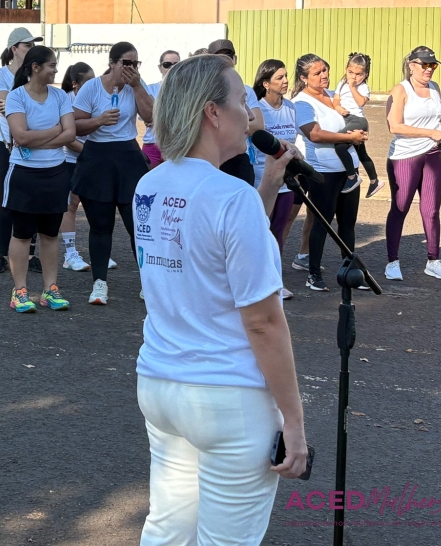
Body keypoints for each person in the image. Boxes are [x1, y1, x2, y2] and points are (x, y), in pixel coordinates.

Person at [135, 54, 307, 545]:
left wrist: (267, 187)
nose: (249, 113)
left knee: (168, 526)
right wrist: (293, 421)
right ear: (212, 112)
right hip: (228, 397)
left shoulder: (150, 185)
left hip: (162, 383)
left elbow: (207, 250)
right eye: (240, 101)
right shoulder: (231, 197)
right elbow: (263, 322)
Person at [72, 42, 154, 305]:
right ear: (112, 63)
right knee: (100, 226)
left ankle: (148, 283)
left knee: (137, 226)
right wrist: (98, 121)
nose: (132, 68)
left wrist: (137, 86)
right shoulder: (92, 87)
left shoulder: (136, 85)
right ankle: (99, 284)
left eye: (136, 63)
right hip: (97, 158)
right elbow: (74, 125)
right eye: (127, 63)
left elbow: (151, 116)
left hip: (128, 156)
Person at [385, 46, 441, 281]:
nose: (429, 69)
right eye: (424, 65)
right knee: (400, 208)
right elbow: (394, 126)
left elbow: (434, 113)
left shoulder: (434, 88)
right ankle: (392, 262)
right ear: (411, 65)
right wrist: (430, 133)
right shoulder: (401, 90)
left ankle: (434, 261)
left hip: (433, 154)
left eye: (432, 65)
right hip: (405, 157)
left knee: (431, 210)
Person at [3, 46, 76, 313]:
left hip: (56, 174)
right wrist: (56, 130)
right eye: (51, 65)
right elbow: (21, 137)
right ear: (35, 68)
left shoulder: (60, 96)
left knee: (50, 234)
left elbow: (71, 134)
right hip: (24, 174)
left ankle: (50, 289)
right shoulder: (16, 96)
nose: (56, 70)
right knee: (22, 235)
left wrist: (39, 140)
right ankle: (20, 291)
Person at [291, 54, 366, 291]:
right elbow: (314, 134)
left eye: (325, 70)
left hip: (348, 170)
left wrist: (360, 132)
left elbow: (356, 115)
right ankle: (313, 274)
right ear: (303, 78)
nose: (324, 75)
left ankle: (350, 271)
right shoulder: (301, 103)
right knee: (321, 223)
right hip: (323, 172)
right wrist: (348, 137)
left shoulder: (335, 95)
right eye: (317, 73)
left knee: (347, 224)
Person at [0, 27, 41, 275]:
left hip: (31, 142)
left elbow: (18, 104)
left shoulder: (36, 72)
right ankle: (3, 254)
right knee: (5, 199)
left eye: (33, 45)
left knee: (31, 199)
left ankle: (30, 254)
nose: (31, 49)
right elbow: (3, 105)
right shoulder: (0, 74)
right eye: (27, 45)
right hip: (5, 143)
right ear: (14, 49)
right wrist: (29, 107)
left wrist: (19, 106)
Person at [59, 62, 115, 273]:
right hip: (72, 160)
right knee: (71, 204)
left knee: (97, 204)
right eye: (88, 82)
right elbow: (68, 138)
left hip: (93, 160)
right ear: (75, 84)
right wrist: (91, 153)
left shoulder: (94, 97)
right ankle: (70, 254)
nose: (94, 85)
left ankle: (99, 252)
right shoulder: (66, 101)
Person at [252, 59, 298, 300]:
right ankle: (257, 280)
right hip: (261, 179)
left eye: (286, 76)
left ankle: (276, 282)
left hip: (285, 180)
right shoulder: (257, 108)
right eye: (279, 77)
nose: (286, 81)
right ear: (266, 83)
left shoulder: (290, 107)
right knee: (260, 231)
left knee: (278, 231)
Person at [207, 39, 265, 185]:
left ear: (235, 59)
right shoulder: (202, 91)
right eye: (218, 57)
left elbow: (258, 125)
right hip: (210, 158)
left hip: (238, 158)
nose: (224, 61)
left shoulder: (246, 90)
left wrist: (222, 125)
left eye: (228, 56)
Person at [333, 52, 383, 196]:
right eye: (350, 72)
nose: (354, 77)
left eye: (359, 74)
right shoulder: (341, 84)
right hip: (346, 118)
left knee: (339, 145)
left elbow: (361, 102)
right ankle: (374, 181)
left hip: (357, 121)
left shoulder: (363, 87)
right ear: (346, 70)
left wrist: (353, 87)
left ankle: (352, 176)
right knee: (362, 153)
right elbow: (336, 100)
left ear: (365, 75)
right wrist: (338, 108)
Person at [141, 50, 180, 168]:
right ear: (160, 68)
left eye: (176, 64)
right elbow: (145, 116)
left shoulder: (186, 90)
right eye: (167, 65)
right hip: (152, 143)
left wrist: (157, 118)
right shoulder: (150, 89)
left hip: (176, 144)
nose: (171, 68)